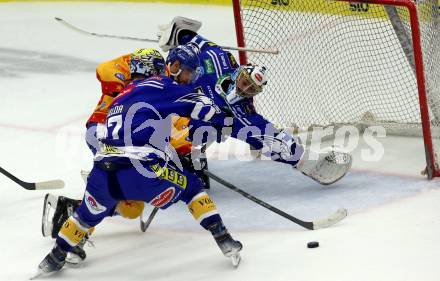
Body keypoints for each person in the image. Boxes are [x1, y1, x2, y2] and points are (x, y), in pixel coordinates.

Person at [34, 44, 243, 278]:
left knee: (111, 210)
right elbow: (204, 110)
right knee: (192, 187)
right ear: (165, 68)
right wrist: (222, 118)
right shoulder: (162, 85)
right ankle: (225, 240)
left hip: (104, 169)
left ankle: (54, 258)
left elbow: (136, 126)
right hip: (142, 168)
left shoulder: (118, 97)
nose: (188, 77)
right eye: (187, 72)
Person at [158, 17, 352, 186]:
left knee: (189, 159)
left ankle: (185, 165)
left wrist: (307, 162)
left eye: (251, 89)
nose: (244, 89)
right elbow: (200, 45)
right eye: (244, 82)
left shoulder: (242, 114)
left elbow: (274, 140)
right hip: (176, 97)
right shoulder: (217, 60)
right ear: (237, 74)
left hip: (196, 124)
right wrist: (181, 34)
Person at [41, 48, 166, 263]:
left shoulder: (155, 85)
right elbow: (104, 70)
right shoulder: (140, 81)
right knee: (114, 191)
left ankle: (72, 209)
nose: (164, 73)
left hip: (114, 138)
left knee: (133, 209)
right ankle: (77, 234)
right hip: (102, 135)